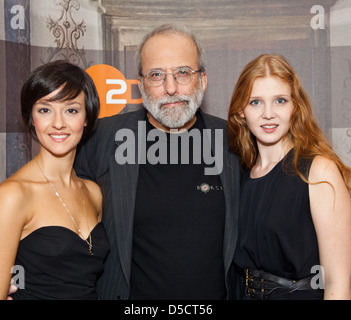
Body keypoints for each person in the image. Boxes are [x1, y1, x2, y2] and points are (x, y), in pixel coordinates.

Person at [74, 24, 241, 300]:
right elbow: (54, 204)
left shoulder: (233, 142)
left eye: (183, 73)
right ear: (140, 85)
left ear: (203, 80)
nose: (171, 88)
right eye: (156, 75)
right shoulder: (101, 138)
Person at [0, 60, 109, 299]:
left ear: (87, 117)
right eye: (45, 110)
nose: (58, 123)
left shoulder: (93, 192)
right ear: (31, 118)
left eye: (71, 110)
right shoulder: (13, 195)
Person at [228, 54, 351, 300]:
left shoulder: (320, 172)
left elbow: (338, 284)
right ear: (241, 111)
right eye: (255, 102)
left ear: (295, 106)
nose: (268, 114)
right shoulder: (239, 175)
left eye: (279, 100)